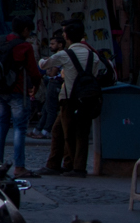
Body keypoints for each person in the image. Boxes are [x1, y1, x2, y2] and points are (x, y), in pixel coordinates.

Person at [42, 21, 106, 177]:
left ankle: (77, 167)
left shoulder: (65, 54)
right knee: (74, 131)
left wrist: (42, 60)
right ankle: (58, 164)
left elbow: (45, 65)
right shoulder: (93, 55)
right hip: (87, 97)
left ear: (66, 37)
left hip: (69, 98)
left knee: (69, 133)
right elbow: (95, 73)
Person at [0, 17, 39, 177]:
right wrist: (35, 86)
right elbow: (33, 71)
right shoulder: (25, 46)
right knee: (19, 129)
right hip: (17, 90)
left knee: (1, 125)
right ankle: (19, 166)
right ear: (24, 30)